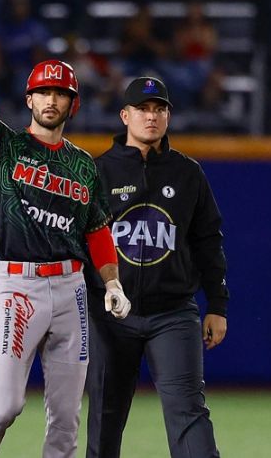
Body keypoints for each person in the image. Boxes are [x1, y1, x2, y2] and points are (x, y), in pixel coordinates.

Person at [0, 0, 131, 458]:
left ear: (71, 104)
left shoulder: (82, 166)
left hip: (72, 289)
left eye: (61, 94)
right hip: (19, 285)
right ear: (29, 99)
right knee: (5, 404)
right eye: (44, 92)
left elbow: (95, 229)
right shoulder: (4, 147)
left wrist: (111, 282)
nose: (52, 100)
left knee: (66, 417)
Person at [85, 76, 230, 458]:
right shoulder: (99, 172)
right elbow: (81, 244)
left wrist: (217, 304)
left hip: (173, 312)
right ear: (124, 115)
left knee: (189, 414)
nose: (151, 117)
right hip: (111, 314)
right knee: (105, 416)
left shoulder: (188, 173)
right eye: (143, 109)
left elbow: (208, 242)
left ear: (168, 116)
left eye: (159, 109)